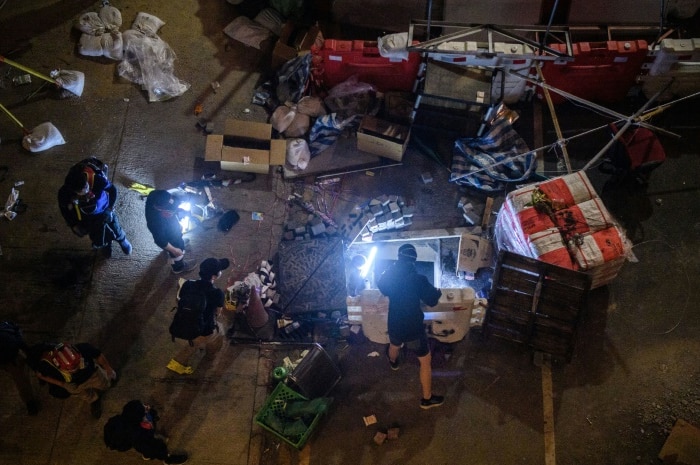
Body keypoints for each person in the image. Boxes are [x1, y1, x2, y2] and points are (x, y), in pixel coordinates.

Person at [377, 243, 445, 410]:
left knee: (394, 344)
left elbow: (382, 286)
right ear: (414, 260)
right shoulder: (418, 279)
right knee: (425, 361)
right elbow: (432, 300)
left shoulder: (389, 276)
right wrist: (437, 291)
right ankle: (427, 399)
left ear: (399, 258)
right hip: (413, 327)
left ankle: (393, 362)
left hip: (394, 323)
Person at [57, 157, 132, 257]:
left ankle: (122, 239)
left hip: (104, 210)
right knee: (97, 235)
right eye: (82, 192)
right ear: (74, 191)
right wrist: (73, 225)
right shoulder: (65, 193)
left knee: (115, 226)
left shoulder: (96, 179)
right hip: (87, 218)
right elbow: (64, 210)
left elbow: (112, 190)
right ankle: (105, 245)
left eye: (87, 187)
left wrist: (110, 208)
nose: (87, 192)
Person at [166, 258, 229, 375]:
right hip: (203, 329)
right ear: (215, 276)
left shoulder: (188, 284)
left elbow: (179, 300)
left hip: (183, 320)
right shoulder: (217, 293)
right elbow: (218, 312)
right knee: (219, 335)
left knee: (204, 339)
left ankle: (206, 350)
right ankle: (177, 364)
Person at [28, 341, 117, 418]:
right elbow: (44, 376)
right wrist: (63, 385)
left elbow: (98, 355)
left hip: (92, 374)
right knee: (84, 395)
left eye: (78, 364)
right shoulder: (48, 366)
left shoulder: (83, 348)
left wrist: (108, 369)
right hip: (74, 384)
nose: (77, 369)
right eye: (72, 369)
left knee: (104, 384)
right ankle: (94, 400)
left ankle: (106, 384)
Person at [104, 399, 188, 464]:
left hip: (143, 436)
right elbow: (147, 445)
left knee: (148, 444)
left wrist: (151, 415)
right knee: (157, 448)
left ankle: (146, 455)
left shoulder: (132, 418)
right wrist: (160, 452)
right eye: (144, 409)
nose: (147, 406)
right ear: (140, 420)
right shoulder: (138, 436)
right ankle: (168, 460)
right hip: (144, 441)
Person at [145, 190, 195, 274]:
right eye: (168, 208)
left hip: (171, 230)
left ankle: (175, 244)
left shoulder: (156, 197)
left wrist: (177, 212)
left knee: (177, 237)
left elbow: (173, 203)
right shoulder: (155, 222)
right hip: (170, 238)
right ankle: (178, 267)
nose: (172, 202)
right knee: (178, 250)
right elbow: (160, 240)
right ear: (159, 208)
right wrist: (174, 250)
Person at [0, 321, 40, 415]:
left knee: (20, 379)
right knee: (21, 379)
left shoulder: (7, 334)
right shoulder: (7, 330)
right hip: (11, 356)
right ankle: (30, 403)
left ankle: (30, 403)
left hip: (11, 357)